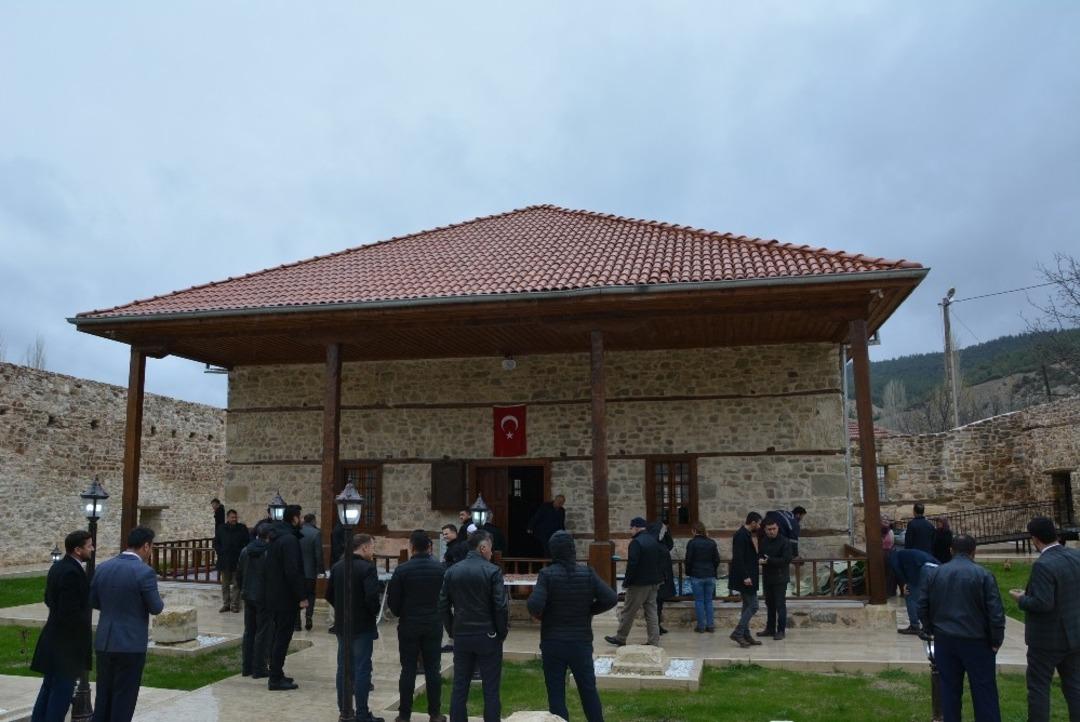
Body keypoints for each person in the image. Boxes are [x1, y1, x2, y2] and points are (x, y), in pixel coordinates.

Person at [527, 530, 617, 722]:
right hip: (580, 642)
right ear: (572, 550)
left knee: (556, 692)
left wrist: (546, 616)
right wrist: (589, 610)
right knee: (588, 690)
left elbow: (534, 606)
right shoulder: (587, 573)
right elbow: (610, 598)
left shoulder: (547, 575)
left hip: (553, 641)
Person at [916, 534, 1005, 722]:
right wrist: (996, 640)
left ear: (951, 551)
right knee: (984, 692)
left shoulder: (935, 574)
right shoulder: (984, 574)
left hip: (945, 640)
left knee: (949, 691)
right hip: (977, 641)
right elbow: (995, 612)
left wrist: (930, 628)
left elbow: (922, 605)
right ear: (974, 552)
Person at [89, 526, 164, 722]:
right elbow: (156, 607)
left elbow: (94, 601)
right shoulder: (144, 572)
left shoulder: (103, 567)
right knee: (124, 699)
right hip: (130, 644)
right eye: (151, 547)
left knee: (103, 696)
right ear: (146, 546)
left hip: (105, 640)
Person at [1009, 516, 1080, 722]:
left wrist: (1021, 598)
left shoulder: (1043, 565)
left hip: (1047, 640)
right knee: (1074, 686)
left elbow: (1042, 604)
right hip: (1074, 634)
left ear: (1035, 539)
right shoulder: (1075, 556)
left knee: (1039, 688)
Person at [439, 530, 508, 722]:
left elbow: (442, 604)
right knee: (491, 688)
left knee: (460, 686)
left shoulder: (452, 571)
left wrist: (452, 629)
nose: (492, 553)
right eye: (490, 549)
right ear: (483, 547)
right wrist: (501, 632)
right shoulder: (493, 571)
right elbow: (501, 606)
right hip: (487, 634)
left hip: (462, 634)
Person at [30, 529, 93, 722]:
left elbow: (49, 599)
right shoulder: (72, 572)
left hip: (53, 638)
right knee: (62, 694)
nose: (93, 549)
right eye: (89, 545)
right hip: (66, 646)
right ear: (77, 549)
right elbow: (71, 611)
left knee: (48, 688)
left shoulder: (57, 567)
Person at [388, 529, 447, 722]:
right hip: (432, 623)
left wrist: (402, 613)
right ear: (429, 547)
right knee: (433, 669)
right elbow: (445, 598)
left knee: (408, 670)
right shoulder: (440, 569)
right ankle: (435, 713)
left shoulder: (402, 570)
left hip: (409, 624)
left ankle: (404, 715)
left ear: (411, 546)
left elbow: (394, 602)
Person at [326, 533, 383, 722]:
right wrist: (372, 612)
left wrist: (343, 610)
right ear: (364, 548)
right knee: (361, 668)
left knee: (344, 667)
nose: (373, 552)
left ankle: (344, 710)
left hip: (343, 625)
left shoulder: (338, 567)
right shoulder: (367, 569)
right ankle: (361, 712)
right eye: (372, 547)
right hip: (362, 626)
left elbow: (329, 595)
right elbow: (371, 597)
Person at [263, 504, 307, 690]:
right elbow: (292, 571)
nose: (302, 520)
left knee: (278, 635)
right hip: (284, 597)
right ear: (294, 519)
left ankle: (277, 672)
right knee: (282, 636)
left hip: (275, 595)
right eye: (300, 517)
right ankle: (275, 678)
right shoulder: (288, 540)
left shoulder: (278, 537)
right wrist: (302, 596)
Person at [604, 517, 664, 648]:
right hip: (654, 582)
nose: (630, 531)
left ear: (636, 527)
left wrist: (627, 582)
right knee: (652, 612)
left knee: (628, 611)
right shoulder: (653, 541)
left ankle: (620, 637)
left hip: (639, 583)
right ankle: (654, 640)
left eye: (631, 528)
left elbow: (632, 564)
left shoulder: (636, 543)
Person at [236, 523, 272, 678]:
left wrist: (243, 588)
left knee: (249, 631)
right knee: (262, 633)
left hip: (248, 594)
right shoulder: (268, 552)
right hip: (263, 597)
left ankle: (247, 667)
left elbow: (239, 573)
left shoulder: (245, 550)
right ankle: (259, 668)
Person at [729, 512, 763, 648]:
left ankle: (745, 634)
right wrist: (745, 576)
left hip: (749, 576)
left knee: (746, 606)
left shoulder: (746, 534)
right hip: (746, 578)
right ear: (753, 522)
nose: (759, 526)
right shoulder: (741, 535)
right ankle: (738, 632)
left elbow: (747, 556)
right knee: (754, 606)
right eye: (759, 523)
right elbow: (738, 558)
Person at [758, 518, 794, 641]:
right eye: (769, 529)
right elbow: (761, 555)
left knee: (780, 605)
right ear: (765, 530)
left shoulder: (784, 541)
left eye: (774, 529)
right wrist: (760, 560)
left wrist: (770, 560)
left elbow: (787, 559)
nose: (772, 531)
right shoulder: (763, 541)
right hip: (768, 578)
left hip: (780, 578)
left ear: (777, 528)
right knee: (769, 605)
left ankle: (781, 630)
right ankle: (770, 629)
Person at [889, 547, 938, 635]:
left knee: (910, 595)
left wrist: (905, 584)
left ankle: (914, 626)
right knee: (927, 597)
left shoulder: (893, 558)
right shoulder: (903, 554)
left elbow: (898, 570)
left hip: (926, 569)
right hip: (936, 568)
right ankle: (929, 626)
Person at [684, 521, 720, 633]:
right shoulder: (711, 542)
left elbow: (688, 560)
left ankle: (701, 626)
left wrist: (688, 572)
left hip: (696, 574)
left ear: (694, 531)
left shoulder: (692, 543)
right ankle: (710, 625)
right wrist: (712, 569)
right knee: (708, 601)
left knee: (699, 601)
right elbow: (717, 559)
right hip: (710, 574)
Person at [214, 508, 249, 613]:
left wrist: (241, 553)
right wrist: (221, 552)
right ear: (228, 518)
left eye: (235, 517)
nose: (234, 519)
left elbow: (247, 542)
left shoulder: (242, 528)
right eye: (232, 517)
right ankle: (226, 604)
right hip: (224, 561)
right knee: (225, 585)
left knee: (236, 584)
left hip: (237, 561)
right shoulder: (221, 528)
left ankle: (234, 605)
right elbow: (216, 543)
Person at [298, 513, 324, 631]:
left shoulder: (297, 531)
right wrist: (321, 570)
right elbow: (318, 554)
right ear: (313, 521)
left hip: (298, 571)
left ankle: (296, 622)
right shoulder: (316, 533)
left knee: (297, 595)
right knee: (310, 595)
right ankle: (309, 617)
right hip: (310, 572)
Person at [651, 521, 675, 635]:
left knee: (659, 604)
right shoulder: (654, 545)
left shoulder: (663, 544)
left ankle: (657, 625)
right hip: (656, 579)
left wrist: (667, 532)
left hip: (662, 579)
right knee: (654, 605)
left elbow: (670, 544)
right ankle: (654, 627)